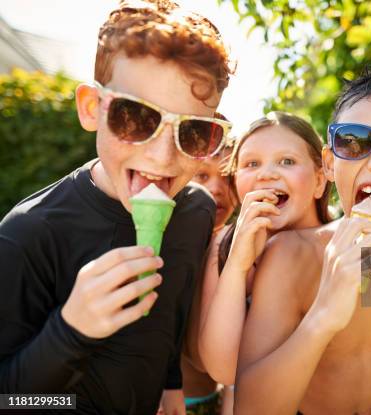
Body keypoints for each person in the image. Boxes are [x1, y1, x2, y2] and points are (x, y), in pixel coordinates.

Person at [0, 1, 232, 414]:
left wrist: (170, 384)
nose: (162, 157)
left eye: (194, 131)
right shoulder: (26, 235)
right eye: (135, 117)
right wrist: (71, 329)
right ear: (92, 108)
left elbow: (172, 312)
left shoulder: (195, 211)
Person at [234, 69, 371, 414]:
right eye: (355, 141)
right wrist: (325, 313)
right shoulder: (290, 256)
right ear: (330, 164)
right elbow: (250, 407)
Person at [184, 112, 332, 411]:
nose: (267, 174)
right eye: (251, 164)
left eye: (287, 161)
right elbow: (222, 369)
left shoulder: (344, 245)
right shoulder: (223, 245)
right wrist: (238, 264)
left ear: (319, 180)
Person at [178, 133, 239, 415]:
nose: (216, 188)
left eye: (228, 178)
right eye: (202, 175)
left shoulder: (233, 250)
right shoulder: (167, 243)